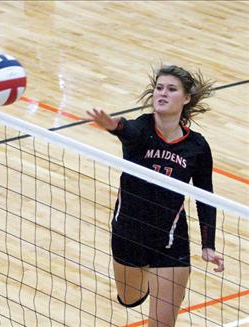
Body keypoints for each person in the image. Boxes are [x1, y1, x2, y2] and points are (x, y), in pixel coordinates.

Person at [86, 65, 225, 327]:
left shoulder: (196, 147)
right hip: (128, 235)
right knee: (130, 298)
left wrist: (208, 245)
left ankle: (164, 281)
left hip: (170, 242)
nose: (162, 93)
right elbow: (128, 130)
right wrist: (114, 126)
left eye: (171, 89)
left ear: (186, 98)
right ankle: (150, 281)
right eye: (159, 88)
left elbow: (205, 195)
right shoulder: (143, 129)